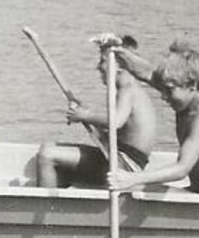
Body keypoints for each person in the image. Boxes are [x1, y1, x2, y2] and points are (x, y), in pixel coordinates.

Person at [94, 34, 199, 195]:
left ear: (192, 85)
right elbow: (145, 72)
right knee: (133, 185)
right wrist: (116, 50)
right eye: (162, 89)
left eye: (168, 90)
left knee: (132, 186)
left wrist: (132, 178)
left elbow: (181, 169)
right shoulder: (182, 94)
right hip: (198, 190)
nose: (163, 96)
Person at [35, 34, 156, 188]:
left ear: (119, 65)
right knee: (48, 146)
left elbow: (116, 122)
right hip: (116, 156)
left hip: (124, 165)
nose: (98, 67)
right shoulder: (124, 89)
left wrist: (85, 115)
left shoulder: (128, 89)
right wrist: (83, 114)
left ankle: (47, 206)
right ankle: (61, 202)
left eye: (103, 61)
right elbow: (114, 133)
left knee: (47, 156)